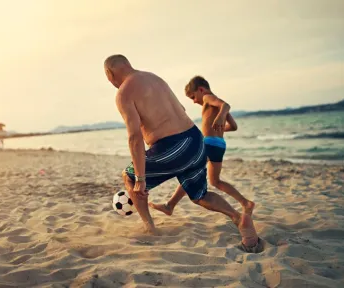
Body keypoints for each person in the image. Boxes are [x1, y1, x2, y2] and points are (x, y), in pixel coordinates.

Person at [104, 55, 263, 253]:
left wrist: (141, 178)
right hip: (196, 140)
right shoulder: (155, 79)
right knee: (199, 195)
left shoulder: (124, 92)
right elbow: (181, 109)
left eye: (108, 78)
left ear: (110, 74)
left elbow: (134, 137)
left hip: (172, 146)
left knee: (129, 176)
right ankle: (238, 217)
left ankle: (149, 228)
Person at [149, 76, 255, 217]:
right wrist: (218, 126)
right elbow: (234, 127)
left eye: (193, 97)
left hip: (209, 143)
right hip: (219, 145)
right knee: (215, 181)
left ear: (201, 89)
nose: (194, 101)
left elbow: (226, 106)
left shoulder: (207, 97)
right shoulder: (215, 103)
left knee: (189, 172)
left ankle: (170, 205)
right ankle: (245, 203)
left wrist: (220, 117)